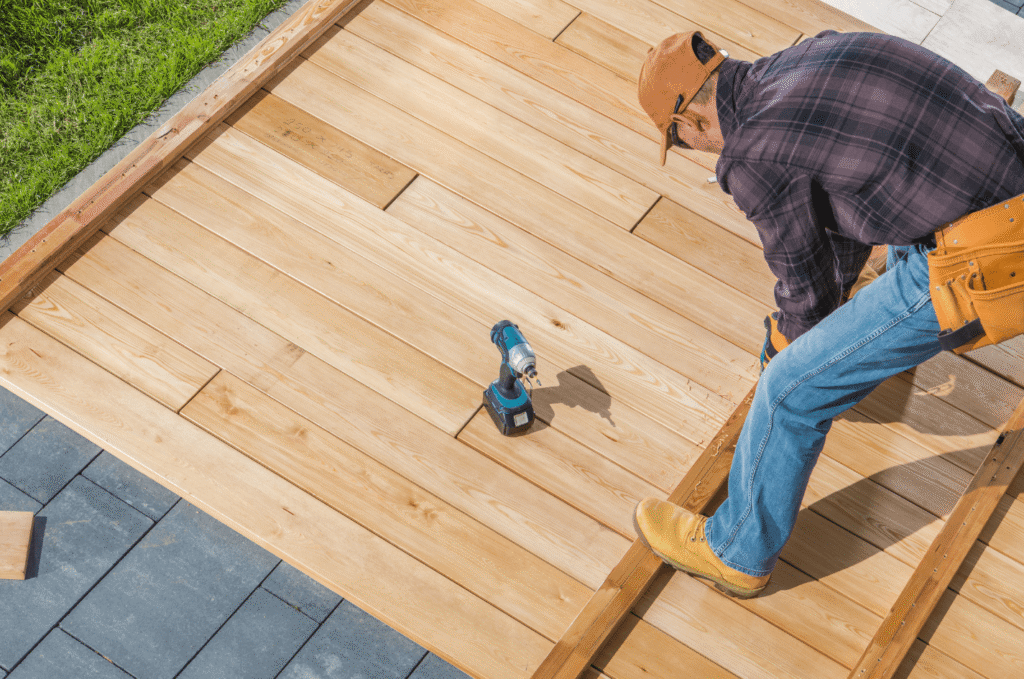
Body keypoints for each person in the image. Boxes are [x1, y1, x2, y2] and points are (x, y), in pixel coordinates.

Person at [631, 30, 1024, 598]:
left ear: (690, 121)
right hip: (998, 174)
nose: (699, 152)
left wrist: (792, 344)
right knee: (859, 287)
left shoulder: (751, 156)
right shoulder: (810, 53)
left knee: (790, 392)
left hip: (989, 252)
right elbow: (840, 209)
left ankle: (736, 550)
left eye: (684, 143)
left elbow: (803, 276)